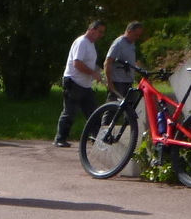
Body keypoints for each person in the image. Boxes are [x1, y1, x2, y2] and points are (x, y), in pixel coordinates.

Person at [54, 19, 106, 147]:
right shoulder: (82, 42)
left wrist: (98, 72)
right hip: (74, 82)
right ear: (92, 29)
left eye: (102, 32)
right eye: (100, 32)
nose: (101, 35)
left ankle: (97, 138)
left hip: (85, 85)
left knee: (93, 112)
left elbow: (88, 63)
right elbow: (77, 63)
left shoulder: (91, 44)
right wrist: (93, 73)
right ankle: (60, 138)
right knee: (70, 112)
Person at [103, 21, 144, 98]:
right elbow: (107, 63)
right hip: (117, 83)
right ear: (129, 32)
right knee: (115, 104)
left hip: (128, 82)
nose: (137, 37)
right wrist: (109, 82)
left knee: (130, 104)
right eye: (136, 35)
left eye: (139, 35)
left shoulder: (131, 44)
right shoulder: (119, 43)